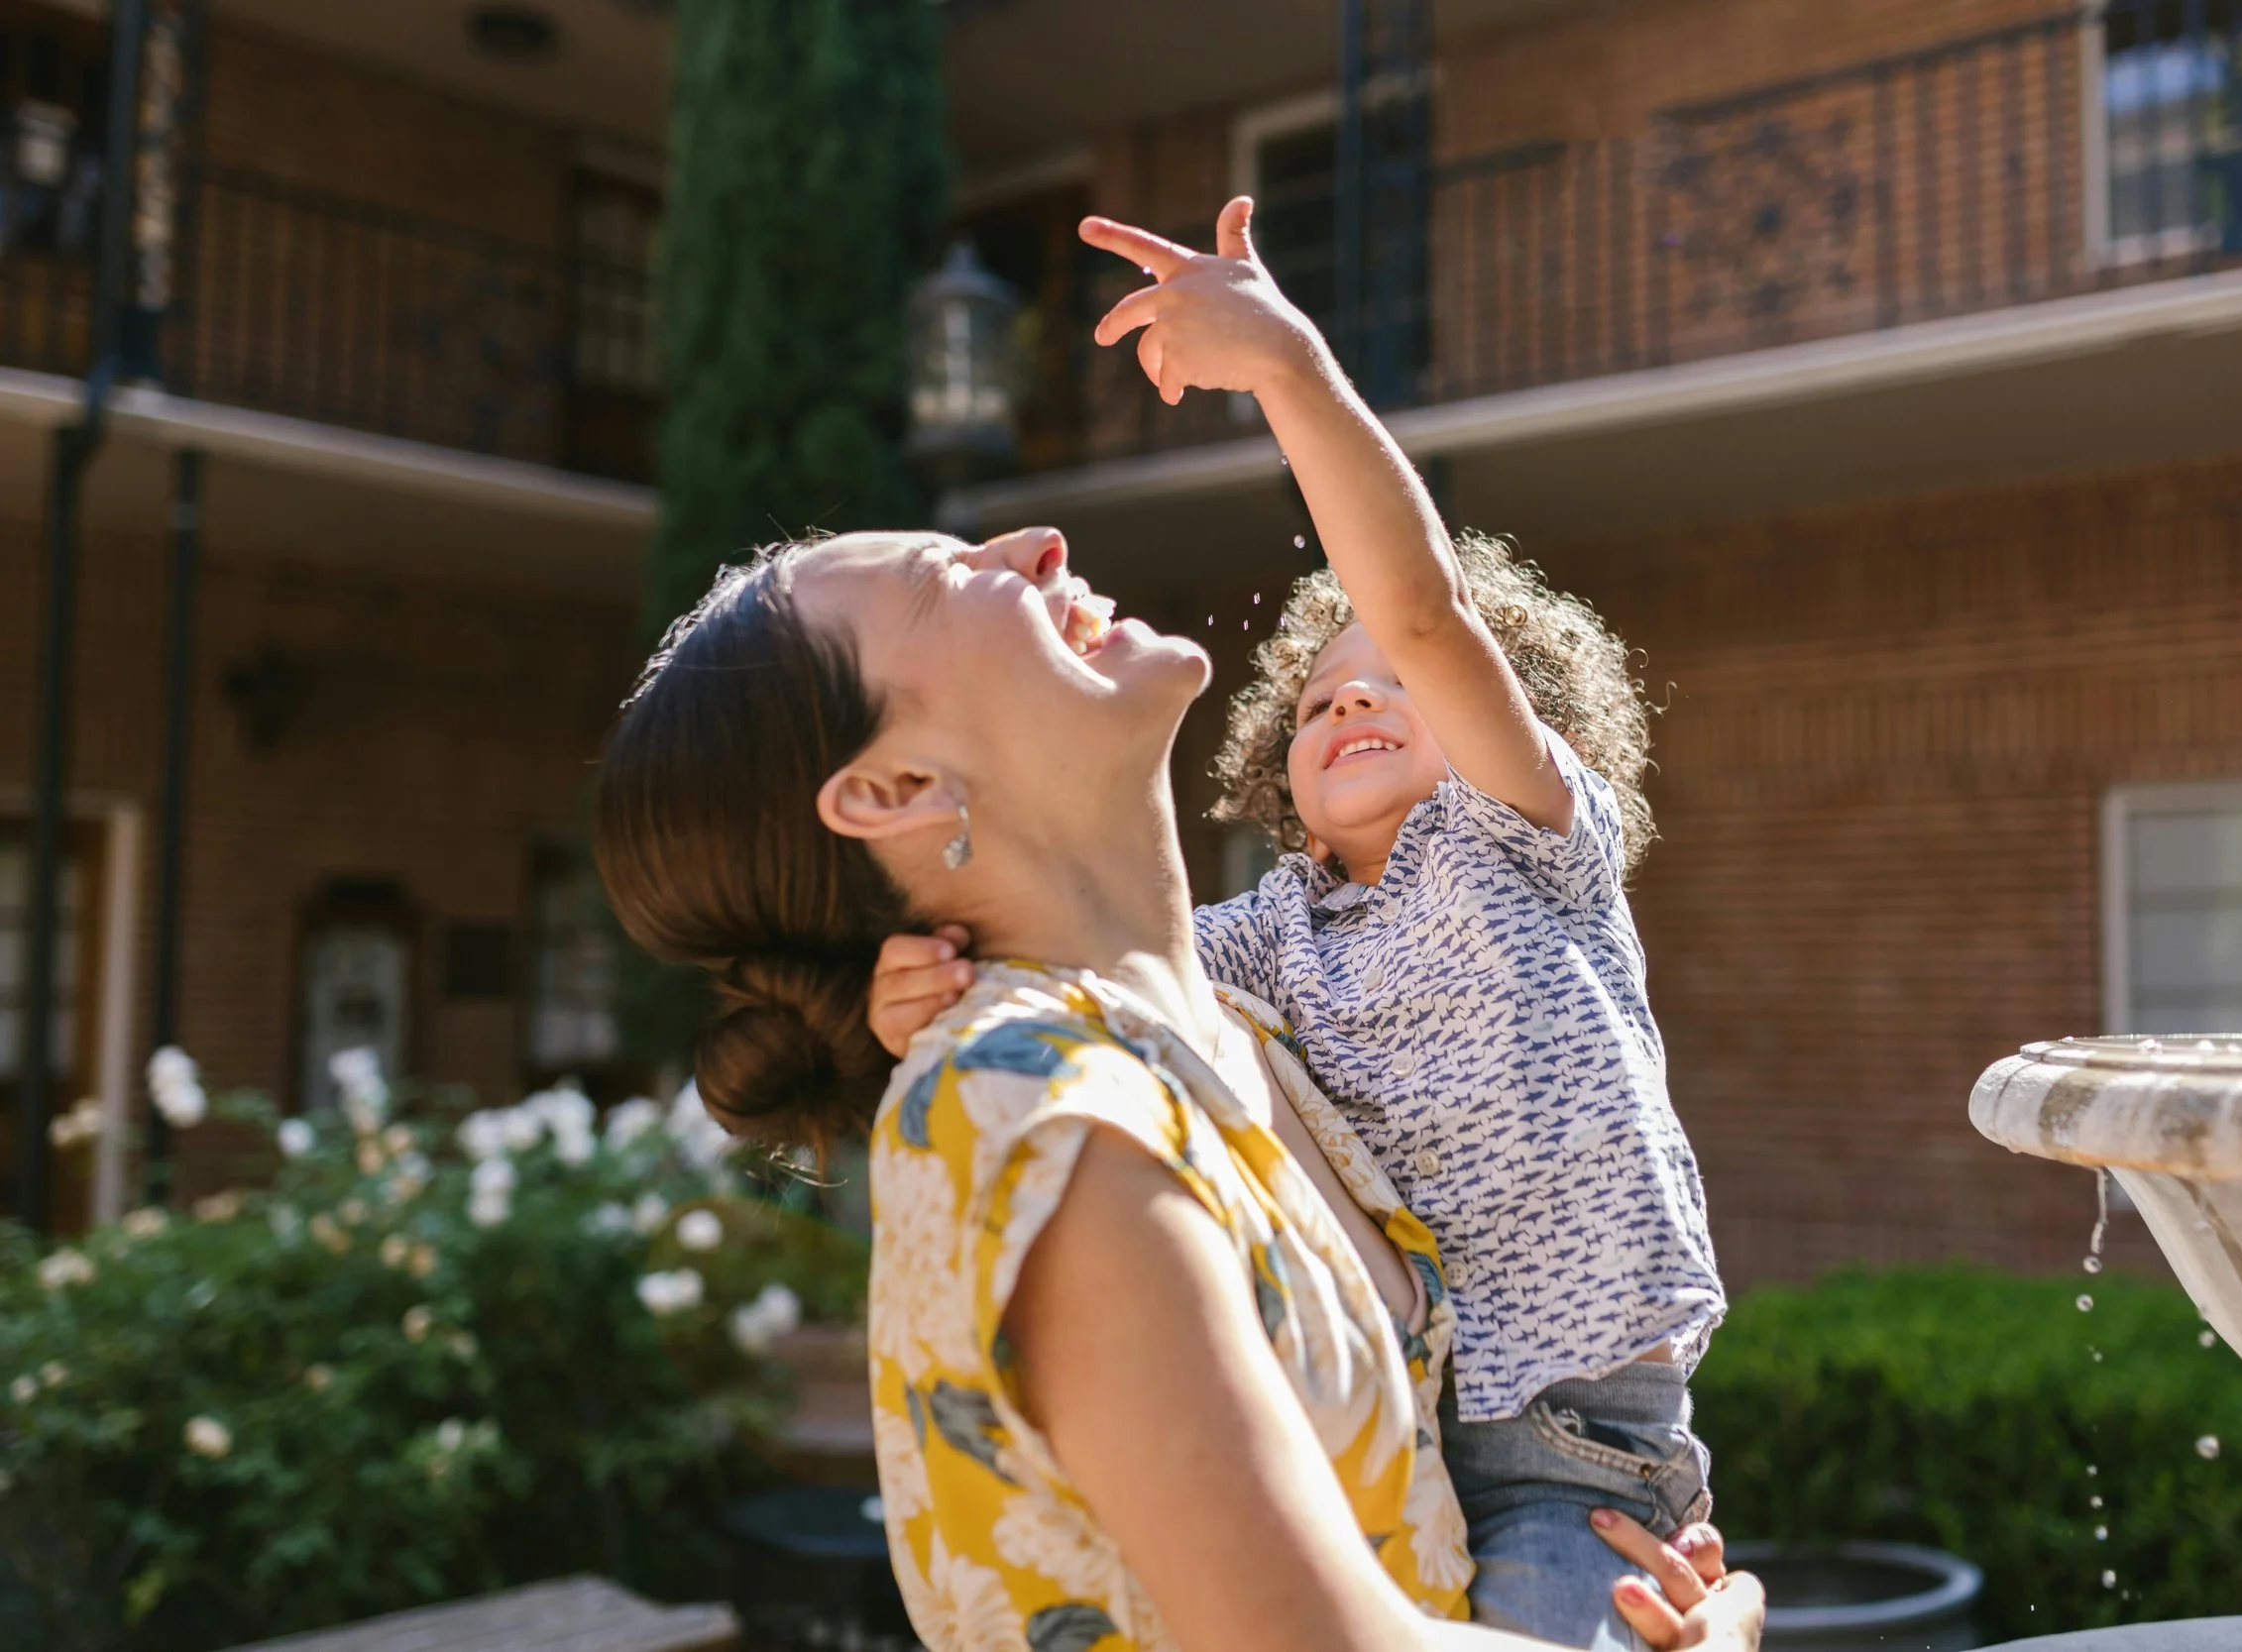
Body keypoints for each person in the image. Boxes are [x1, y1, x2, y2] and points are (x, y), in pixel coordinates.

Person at [591, 519, 1764, 1652]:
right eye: (942, 582)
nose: (1035, 541)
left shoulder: (1248, 1034)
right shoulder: (1030, 1099)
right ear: (897, 786)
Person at [864, 200, 1725, 1650]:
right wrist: (925, 988)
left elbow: (1429, 609)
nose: (1361, 697)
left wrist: (1292, 371)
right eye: (1323, 697)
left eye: (1396, 684)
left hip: (1579, 1452)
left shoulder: (1526, 845)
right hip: (1403, 1438)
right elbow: (1094, 961)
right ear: (1285, 772)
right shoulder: (1270, 932)